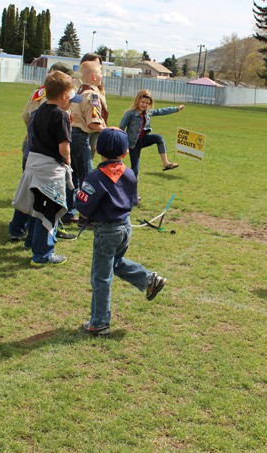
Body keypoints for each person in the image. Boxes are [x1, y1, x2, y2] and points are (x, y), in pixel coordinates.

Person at [74, 128, 167, 337]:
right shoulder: (129, 172)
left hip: (106, 231)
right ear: (125, 152)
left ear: (97, 149)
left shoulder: (95, 177)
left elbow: (84, 206)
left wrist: (77, 198)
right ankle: (148, 279)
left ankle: (99, 323)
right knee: (114, 263)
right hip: (125, 226)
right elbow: (133, 199)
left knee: (101, 277)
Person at [9, 62, 77, 242]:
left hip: (33, 152)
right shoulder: (57, 111)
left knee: (30, 196)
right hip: (47, 158)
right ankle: (39, 240)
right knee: (45, 201)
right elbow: (63, 147)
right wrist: (66, 157)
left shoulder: (41, 106)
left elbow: (27, 117)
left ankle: (22, 234)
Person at [67, 61, 107, 223]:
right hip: (81, 136)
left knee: (74, 176)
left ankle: (69, 212)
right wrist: (110, 133)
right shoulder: (92, 95)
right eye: (101, 73)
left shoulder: (79, 91)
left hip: (72, 134)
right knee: (88, 178)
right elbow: (93, 122)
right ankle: (86, 216)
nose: (102, 77)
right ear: (94, 76)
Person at [119, 89, 185, 176]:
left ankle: (166, 163)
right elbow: (121, 129)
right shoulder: (130, 114)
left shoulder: (148, 112)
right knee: (135, 169)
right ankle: (131, 185)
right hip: (133, 145)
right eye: (143, 102)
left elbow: (162, 111)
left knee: (159, 138)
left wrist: (177, 109)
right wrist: (123, 145)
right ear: (138, 100)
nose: (145, 105)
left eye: (147, 103)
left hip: (143, 140)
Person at [80, 53, 109, 160]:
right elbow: (92, 118)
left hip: (94, 130)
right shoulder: (89, 92)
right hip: (86, 130)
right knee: (85, 168)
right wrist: (106, 131)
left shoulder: (97, 89)